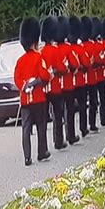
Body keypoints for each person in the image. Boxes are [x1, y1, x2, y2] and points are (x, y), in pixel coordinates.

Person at [14, 17, 51, 166]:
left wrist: (25, 85)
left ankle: (27, 157)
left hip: (25, 99)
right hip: (38, 97)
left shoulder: (20, 60)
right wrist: (36, 82)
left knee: (26, 128)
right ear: (35, 40)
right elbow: (45, 75)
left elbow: (17, 78)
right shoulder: (38, 57)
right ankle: (42, 152)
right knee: (41, 125)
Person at [41, 16, 68, 149]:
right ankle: (58, 141)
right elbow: (62, 68)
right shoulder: (55, 50)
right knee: (58, 116)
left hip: (45, 89)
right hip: (56, 87)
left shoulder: (42, 52)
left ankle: (45, 145)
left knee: (44, 119)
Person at [57, 16, 80, 144]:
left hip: (55, 86)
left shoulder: (50, 50)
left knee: (57, 114)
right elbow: (75, 64)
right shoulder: (67, 48)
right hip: (68, 83)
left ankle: (58, 139)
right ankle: (70, 136)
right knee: (69, 111)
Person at [69, 16, 91, 137]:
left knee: (70, 110)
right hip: (81, 81)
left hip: (69, 83)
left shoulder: (68, 48)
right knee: (82, 106)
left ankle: (70, 134)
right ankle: (83, 128)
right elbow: (87, 64)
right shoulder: (80, 48)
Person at [80, 16, 99, 132]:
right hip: (90, 77)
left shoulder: (80, 46)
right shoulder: (92, 45)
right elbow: (95, 61)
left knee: (83, 105)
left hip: (83, 79)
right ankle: (91, 124)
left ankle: (84, 127)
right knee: (93, 102)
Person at [92, 17, 105, 126]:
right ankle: (103, 119)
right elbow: (103, 59)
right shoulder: (99, 45)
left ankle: (93, 123)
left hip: (94, 76)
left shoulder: (88, 46)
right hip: (99, 74)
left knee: (95, 100)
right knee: (101, 99)